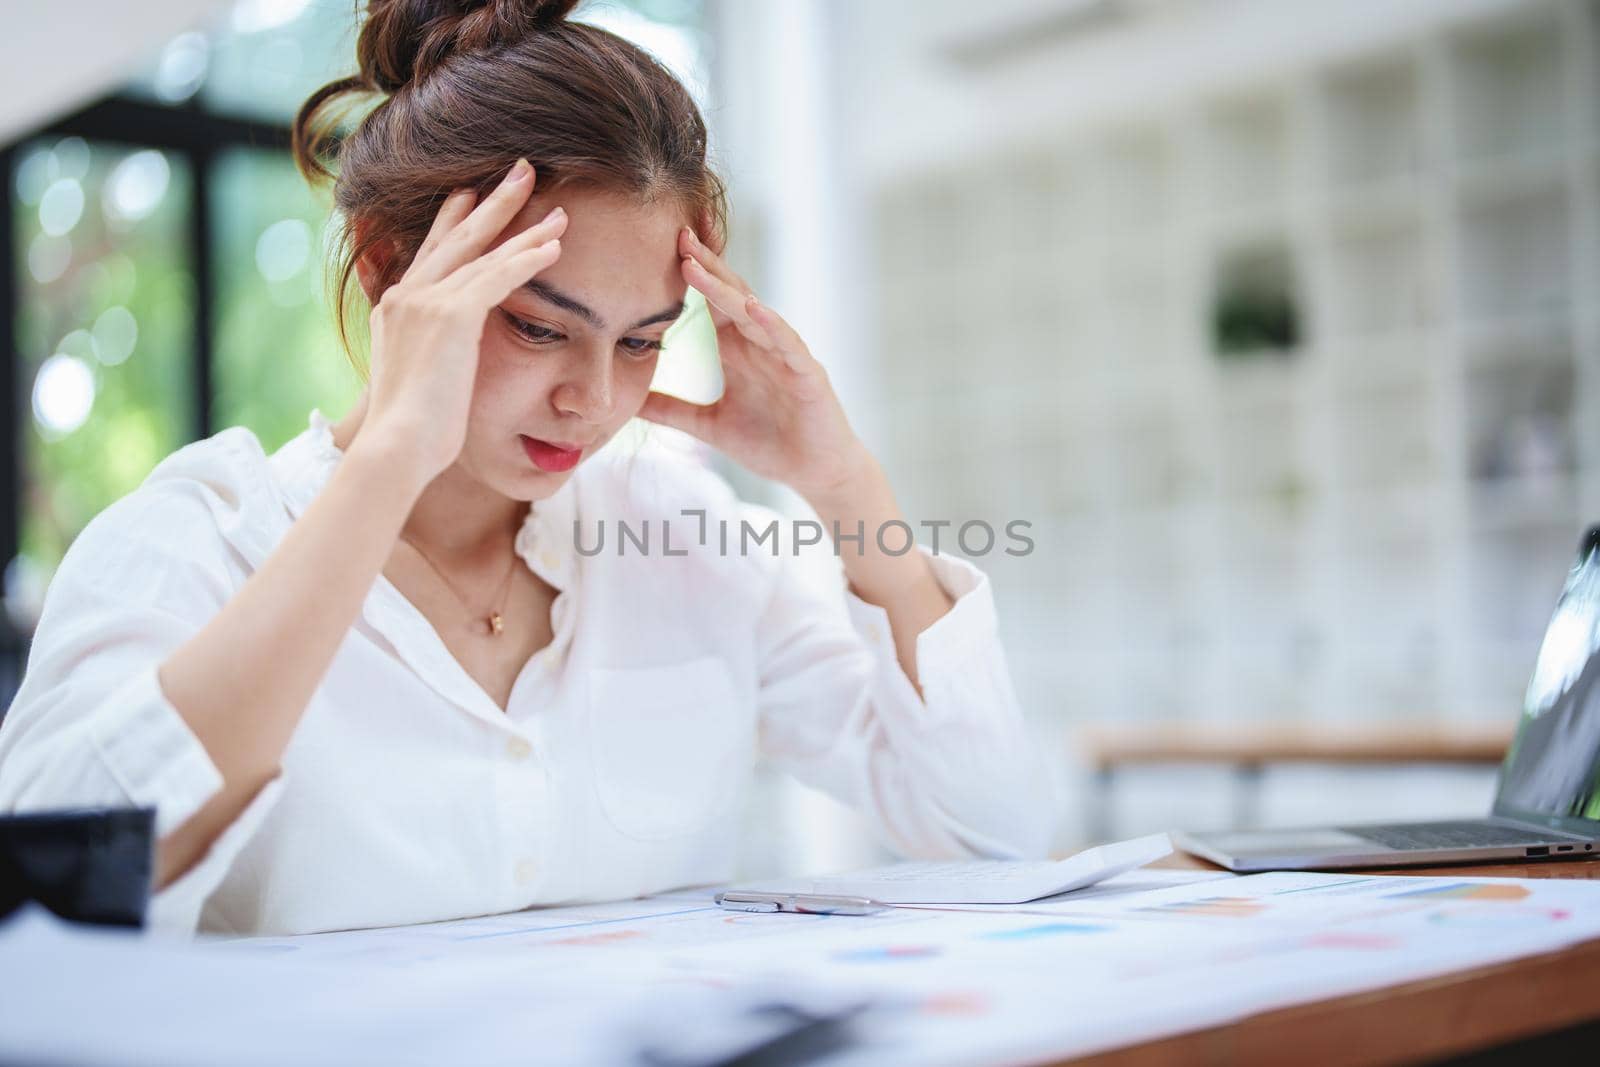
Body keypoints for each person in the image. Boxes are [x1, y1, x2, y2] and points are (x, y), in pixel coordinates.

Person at [0, 0, 1056, 936]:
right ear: (385, 265)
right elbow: (55, 900)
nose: (593, 400)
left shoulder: (673, 528)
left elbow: (990, 828)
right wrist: (388, 464)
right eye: (538, 327)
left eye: (642, 340)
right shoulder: (195, 542)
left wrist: (843, 486)